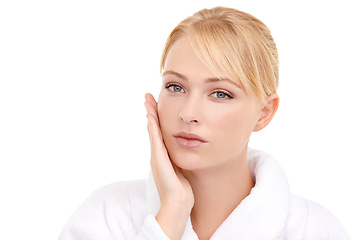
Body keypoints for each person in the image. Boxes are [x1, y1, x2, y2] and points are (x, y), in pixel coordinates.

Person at [59, 6, 350, 240]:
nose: (188, 112)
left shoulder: (314, 229)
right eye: (175, 87)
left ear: (264, 112)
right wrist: (170, 215)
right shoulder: (107, 215)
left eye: (220, 93)